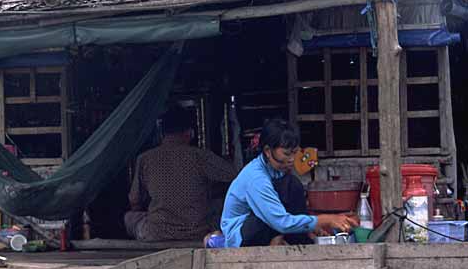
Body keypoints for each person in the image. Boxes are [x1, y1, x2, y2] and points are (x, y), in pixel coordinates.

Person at [221, 119, 357, 247]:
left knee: (293, 185)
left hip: (275, 224)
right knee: (271, 218)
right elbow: (280, 221)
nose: (292, 159)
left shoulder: (279, 172)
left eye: (294, 153)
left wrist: (311, 227)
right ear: (268, 151)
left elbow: (292, 211)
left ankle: (284, 239)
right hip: (243, 234)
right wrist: (325, 219)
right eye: (286, 154)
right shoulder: (256, 179)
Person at [125, 105, 237, 241]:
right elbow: (235, 176)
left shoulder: (145, 158)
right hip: (197, 231)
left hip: (156, 233)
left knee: (129, 217)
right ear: (189, 132)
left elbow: (134, 200)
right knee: (221, 206)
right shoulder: (200, 156)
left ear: (162, 133)